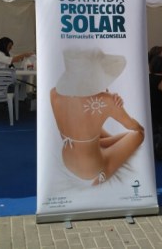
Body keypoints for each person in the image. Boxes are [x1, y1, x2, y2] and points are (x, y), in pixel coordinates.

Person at [50, 48, 144, 186]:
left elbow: (83, 120)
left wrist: (107, 99)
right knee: (139, 134)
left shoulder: (53, 93)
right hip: (91, 169)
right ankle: (101, 174)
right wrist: (140, 126)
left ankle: (102, 144)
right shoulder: (106, 100)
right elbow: (132, 126)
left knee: (89, 129)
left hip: (67, 159)